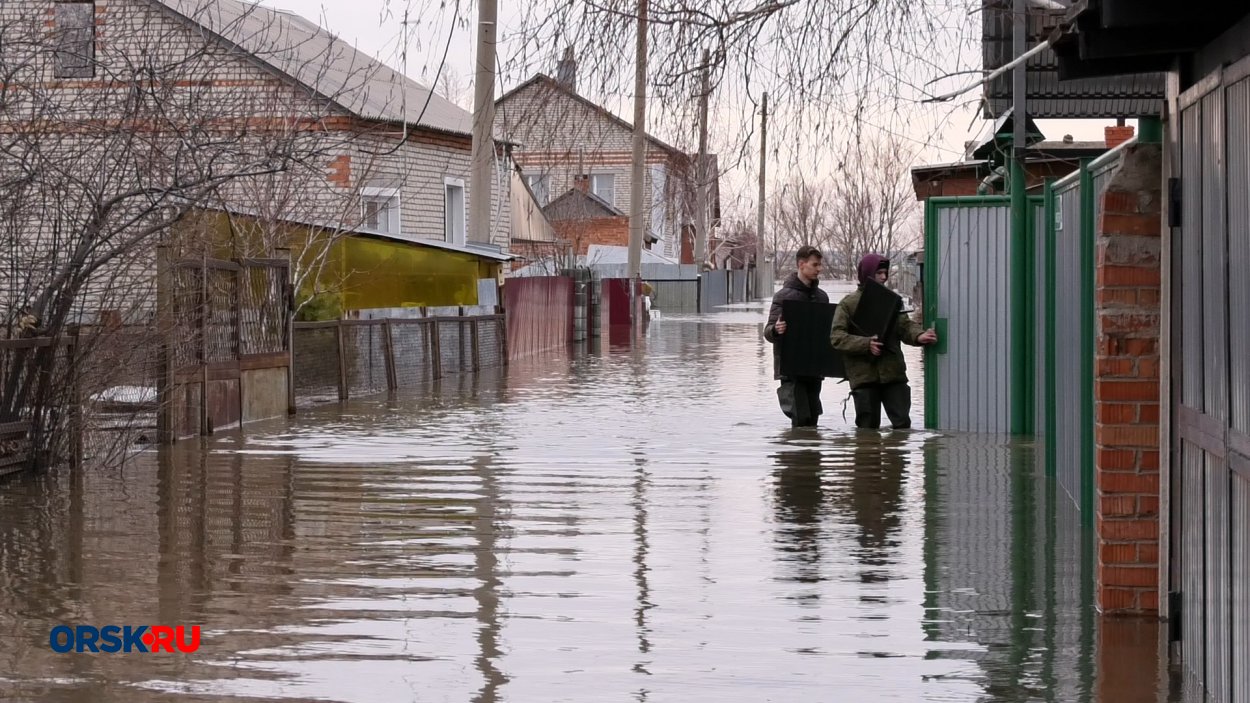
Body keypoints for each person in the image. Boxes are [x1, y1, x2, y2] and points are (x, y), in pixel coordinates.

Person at [830, 254, 938, 429]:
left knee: (902, 426)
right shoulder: (848, 304)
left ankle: (897, 456)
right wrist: (866, 344)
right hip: (864, 378)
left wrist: (919, 336)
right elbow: (837, 337)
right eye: (878, 272)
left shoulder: (893, 301)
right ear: (867, 274)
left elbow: (905, 327)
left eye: (885, 272)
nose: (883, 277)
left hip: (893, 374)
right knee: (867, 430)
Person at [763, 245, 829, 427]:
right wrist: (777, 329)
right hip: (791, 369)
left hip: (814, 368)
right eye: (815, 265)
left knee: (813, 418)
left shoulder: (822, 297)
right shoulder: (783, 297)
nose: (819, 269)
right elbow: (768, 332)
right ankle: (796, 454)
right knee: (800, 419)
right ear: (801, 264)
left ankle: (810, 454)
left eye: (820, 265)